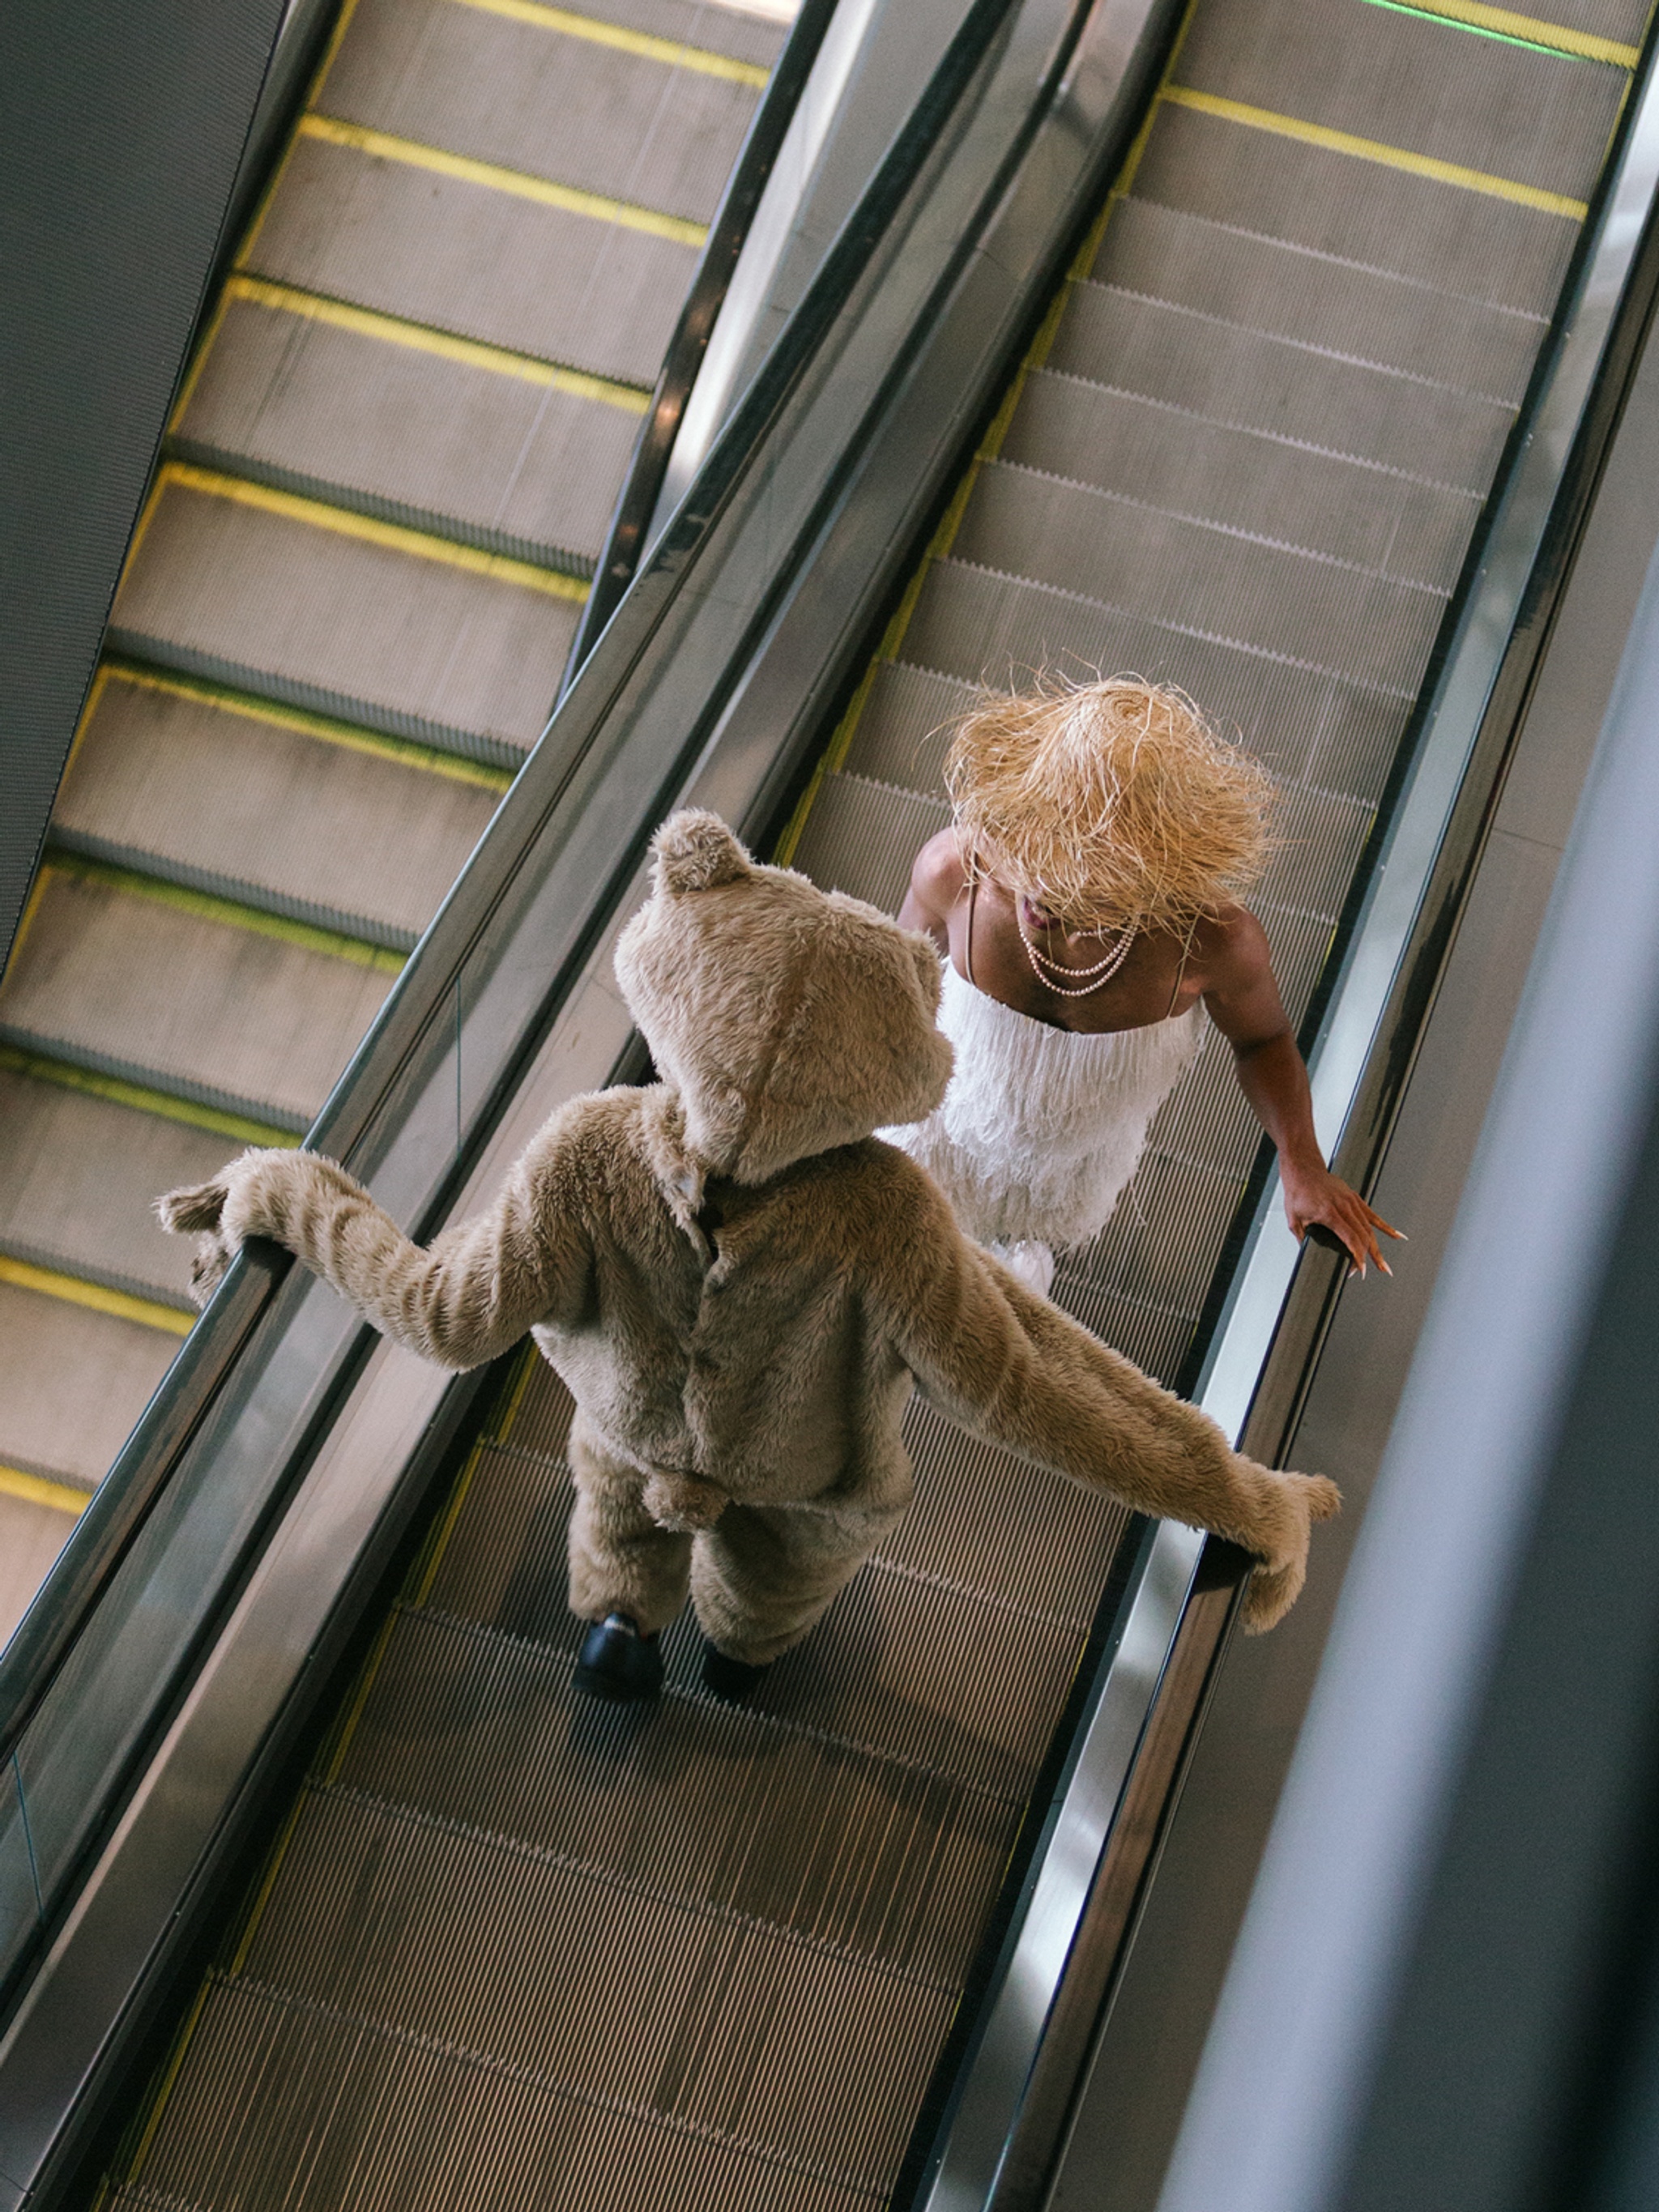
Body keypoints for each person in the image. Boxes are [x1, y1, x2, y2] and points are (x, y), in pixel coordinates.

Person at [158, 810, 1337, 1705]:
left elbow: (437, 1311)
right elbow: (1031, 1387)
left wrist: (278, 1187)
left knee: (616, 1523)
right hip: (814, 1480)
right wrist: (1242, 1494)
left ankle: (621, 1621)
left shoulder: (587, 1149)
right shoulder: (891, 1214)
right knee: (767, 1604)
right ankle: (739, 1654)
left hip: (623, 1433)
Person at [890, 676, 1401, 1294]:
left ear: (1150, 889)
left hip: (1074, 1171)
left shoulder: (1211, 942)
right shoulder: (956, 874)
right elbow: (895, 984)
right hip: (934, 1125)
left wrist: (1301, 1163)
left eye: (1085, 891)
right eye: (1035, 857)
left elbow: (1263, 1040)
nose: (1043, 898)